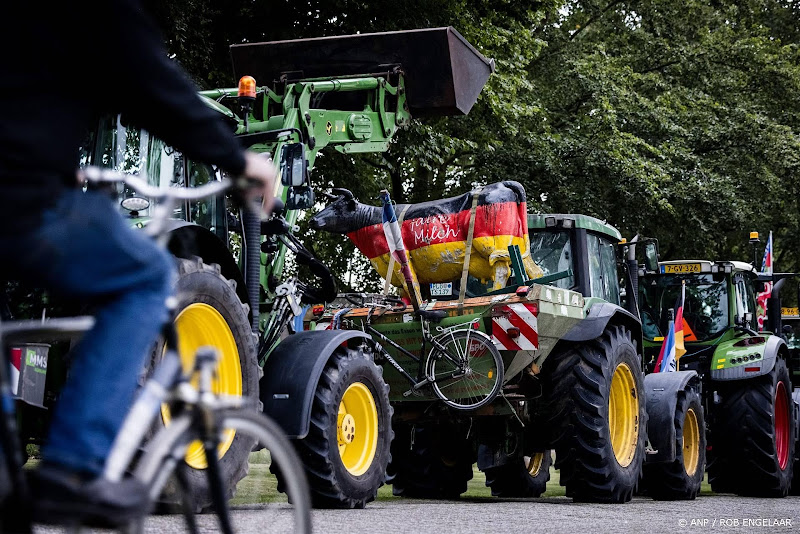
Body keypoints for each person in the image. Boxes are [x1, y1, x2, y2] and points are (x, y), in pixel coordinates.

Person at [0, 0, 275, 525]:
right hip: (22, 198)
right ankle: (75, 467)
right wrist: (239, 159)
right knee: (147, 275)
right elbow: (151, 83)